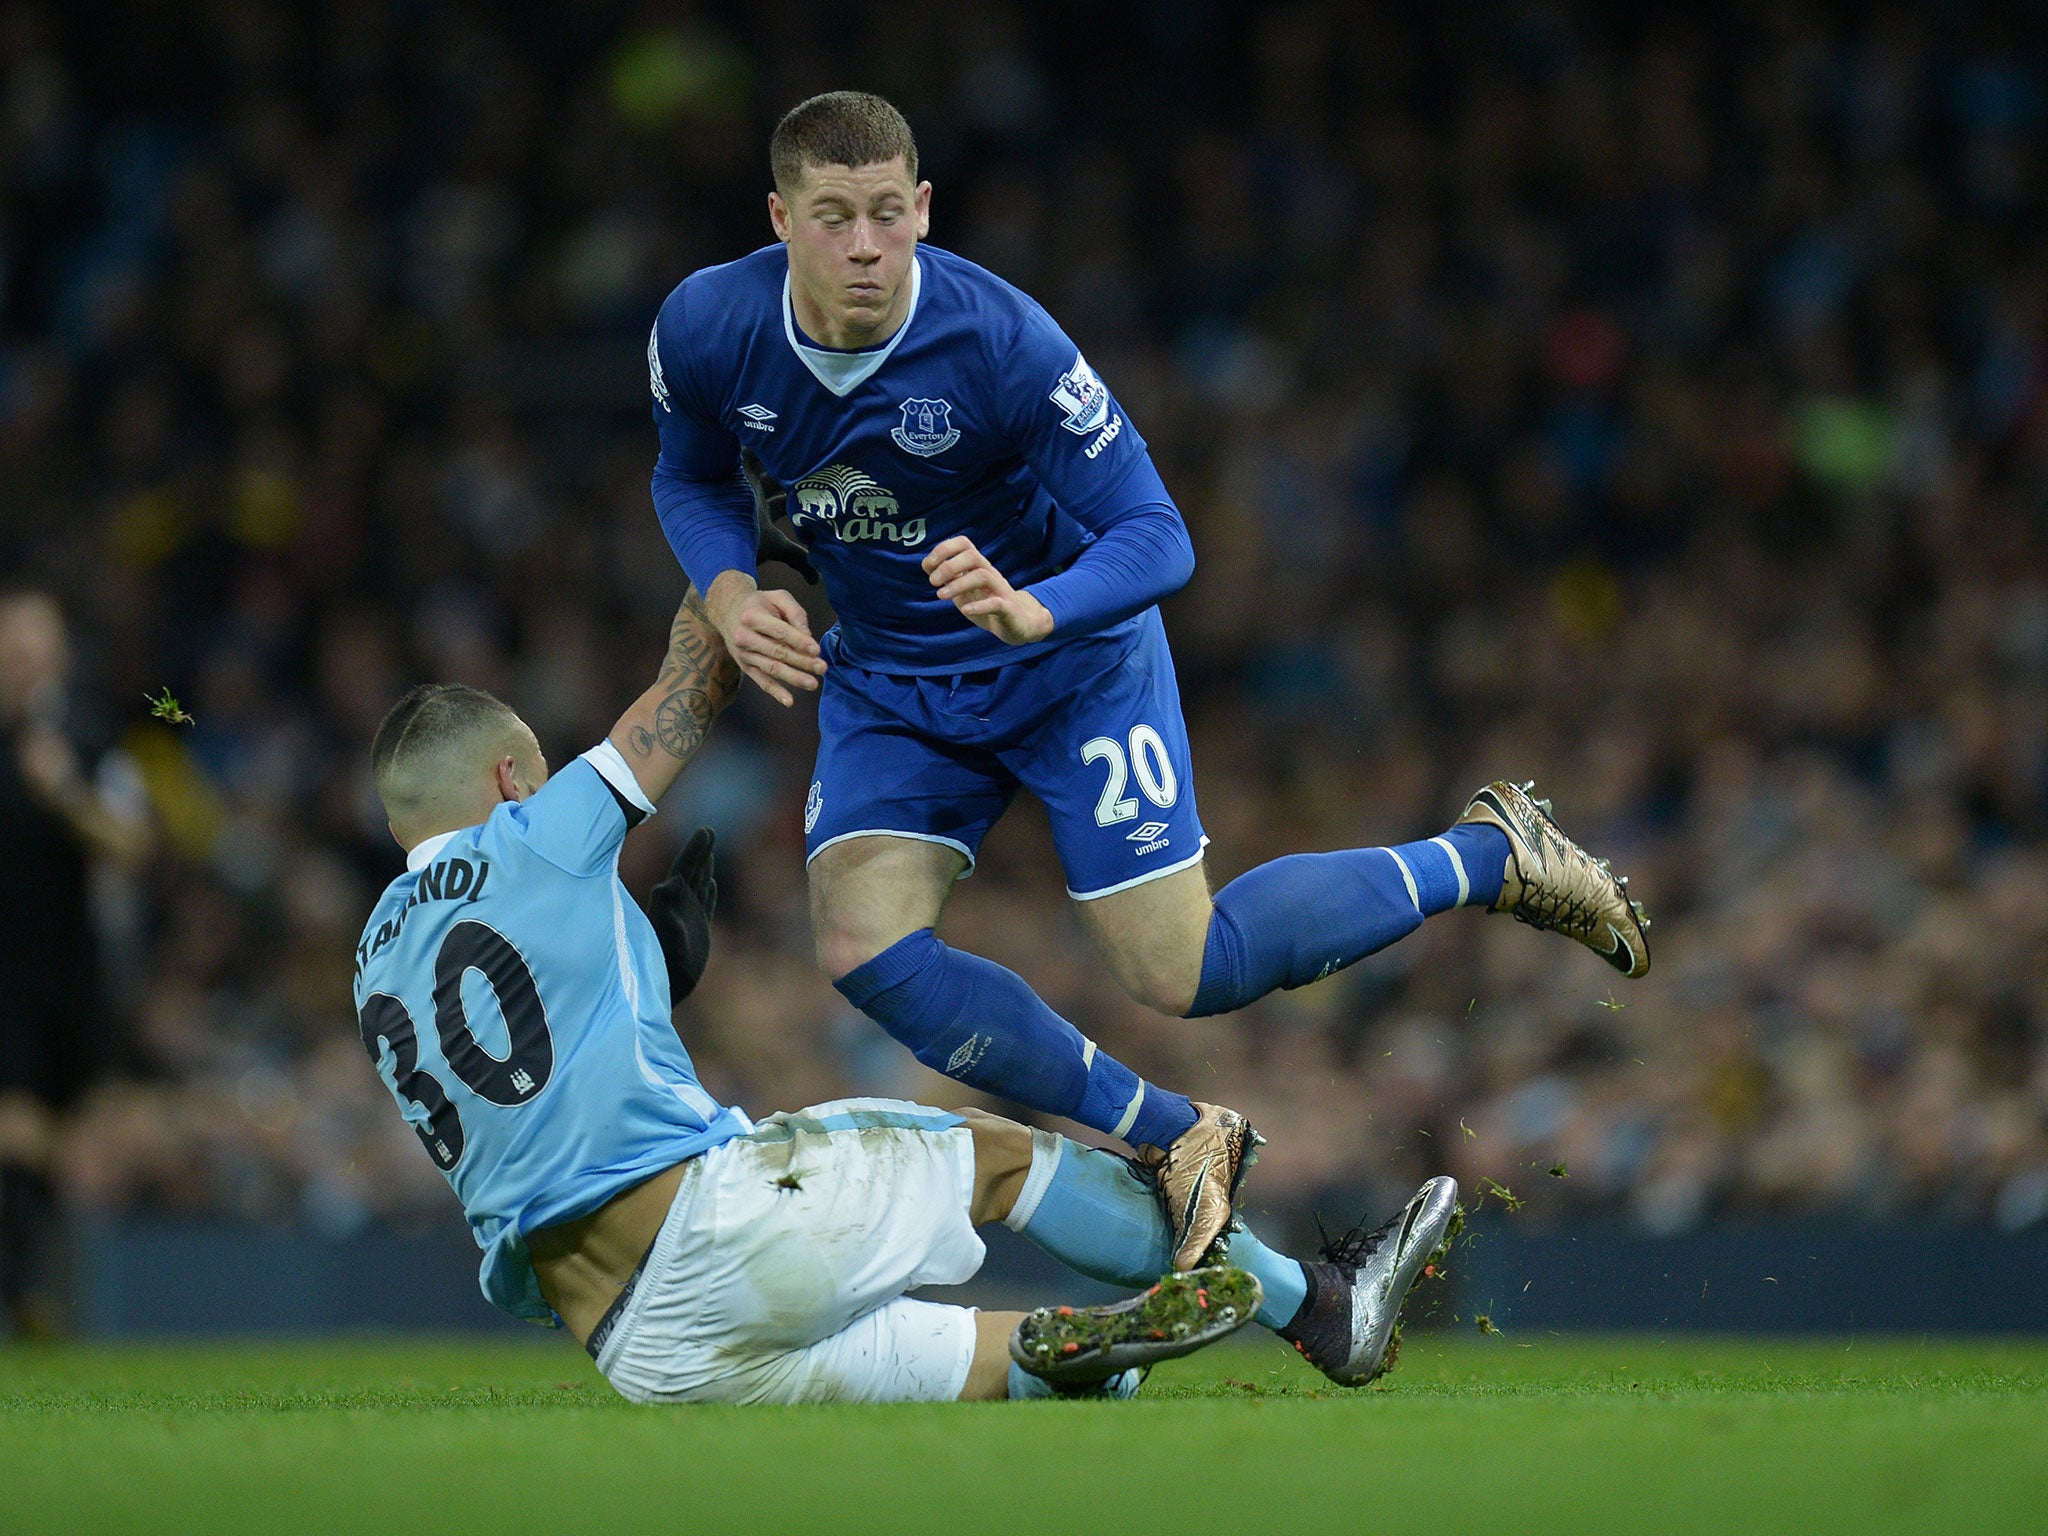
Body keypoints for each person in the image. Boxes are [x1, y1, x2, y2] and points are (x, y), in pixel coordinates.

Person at [645, 91, 1652, 1269]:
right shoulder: (705, 326)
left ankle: (1489, 853)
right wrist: (723, 591)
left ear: (922, 207)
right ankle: (1178, 1136)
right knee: (863, 949)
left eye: (884, 213)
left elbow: (1156, 532)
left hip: (1067, 664)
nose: (863, 246)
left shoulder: (1000, 339)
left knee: (1183, 973)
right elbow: (692, 474)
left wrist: (1040, 606)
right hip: (893, 681)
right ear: (779, 218)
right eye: (831, 218)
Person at [350, 587, 1460, 1404]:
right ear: (508, 781)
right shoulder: (533, 837)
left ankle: (1070, 1356)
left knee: (996, 1370)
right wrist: (731, 539)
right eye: (533, 774)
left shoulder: (374, 962)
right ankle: (1317, 1308)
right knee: (1000, 1157)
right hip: (713, 1225)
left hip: (639, 1351)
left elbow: (528, 1090)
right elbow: (694, 681)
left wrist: (652, 964)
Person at [0, 591, 152, 1338]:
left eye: (36, 646)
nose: (24, 659)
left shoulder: (89, 738)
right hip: (7, 971)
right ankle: (23, 1289)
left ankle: (39, 1293)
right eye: (12, 645)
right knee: (16, 1121)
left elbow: (133, 845)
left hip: (71, 966)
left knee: (64, 1138)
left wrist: (64, 792)